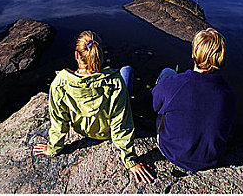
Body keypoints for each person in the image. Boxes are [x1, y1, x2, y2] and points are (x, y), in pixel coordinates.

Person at [33, 30, 154, 184]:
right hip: (107, 132)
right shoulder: (114, 82)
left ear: (77, 55)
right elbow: (121, 123)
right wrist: (130, 160)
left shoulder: (60, 83)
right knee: (127, 71)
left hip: (82, 130)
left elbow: (59, 122)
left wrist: (53, 149)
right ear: (99, 54)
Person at [151, 28, 237, 172]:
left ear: (193, 53)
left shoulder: (175, 85)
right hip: (212, 159)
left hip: (174, 154)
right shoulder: (229, 94)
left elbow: (151, 106)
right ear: (221, 58)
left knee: (167, 73)